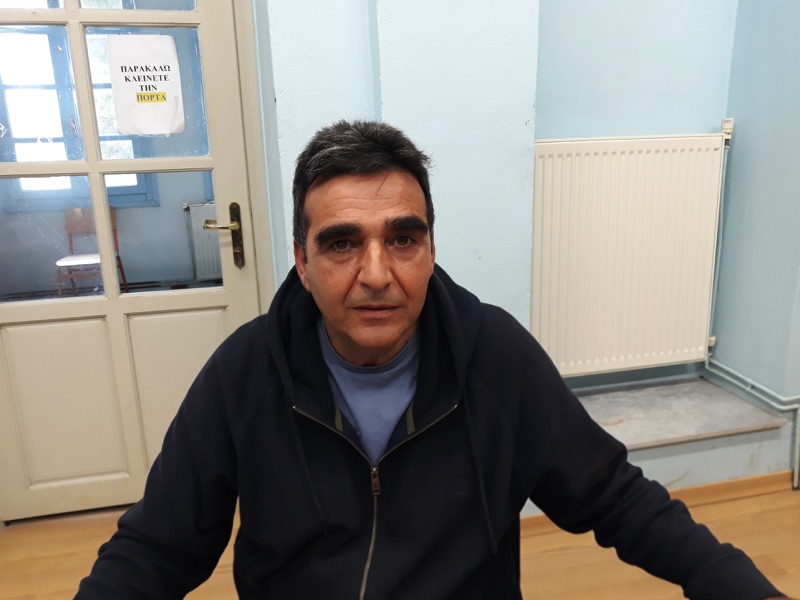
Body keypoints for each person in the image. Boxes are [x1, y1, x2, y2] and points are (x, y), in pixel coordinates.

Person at [75, 120, 791, 599]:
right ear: (301, 262)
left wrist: (745, 588)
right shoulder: (244, 373)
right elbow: (158, 547)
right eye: (342, 243)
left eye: (403, 239)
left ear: (430, 248)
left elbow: (617, 499)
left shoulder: (496, 357)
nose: (377, 274)